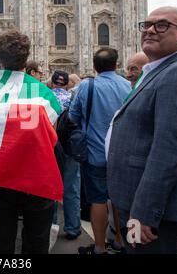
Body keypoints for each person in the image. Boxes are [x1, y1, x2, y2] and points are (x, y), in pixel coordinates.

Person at [107, 7, 177, 254]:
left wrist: (145, 213)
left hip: (151, 212)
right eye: (147, 24)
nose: (151, 30)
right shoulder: (156, 72)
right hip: (134, 202)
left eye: (162, 25)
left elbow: (170, 150)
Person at [0, 30, 56, 254]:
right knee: (37, 239)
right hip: (37, 176)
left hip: (1, 176)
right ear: (27, 58)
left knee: (3, 240)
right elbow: (53, 136)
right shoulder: (44, 93)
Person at [70, 47, 131, 254]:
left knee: (98, 200)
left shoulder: (88, 86)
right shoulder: (128, 86)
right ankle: (121, 241)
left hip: (95, 154)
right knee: (118, 198)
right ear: (116, 64)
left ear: (95, 67)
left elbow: (72, 117)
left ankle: (99, 247)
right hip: (122, 153)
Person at [51, 71, 82, 241]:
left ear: (53, 83)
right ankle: (72, 228)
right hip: (70, 148)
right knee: (72, 188)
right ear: (67, 84)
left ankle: (52, 225)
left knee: (51, 187)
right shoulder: (73, 98)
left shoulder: (45, 97)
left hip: (51, 148)